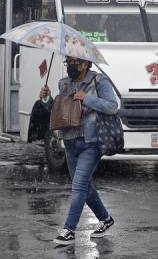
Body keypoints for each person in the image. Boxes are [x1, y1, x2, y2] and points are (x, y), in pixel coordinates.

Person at [39, 56, 118, 246]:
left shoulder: (99, 81)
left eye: (74, 63)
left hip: (91, 142)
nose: (70, 66)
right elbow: (59, 111)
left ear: (85, 64)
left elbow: (112, 106)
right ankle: (105, 219)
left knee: (79, 186)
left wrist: (87, 98)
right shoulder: (64, 83)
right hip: (70, 141)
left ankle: (69, 230)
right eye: (68, 63)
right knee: (83, 186)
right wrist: (47, 98)